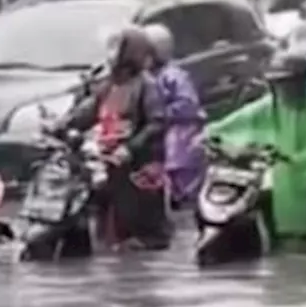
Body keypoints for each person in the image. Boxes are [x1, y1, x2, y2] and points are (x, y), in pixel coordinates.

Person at [206, 55, 306, 244]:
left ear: (302, 82)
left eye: (285, 83)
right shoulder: (272, 104)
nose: (282, 89)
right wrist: (211, 133)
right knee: (299, 244)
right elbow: (241, 121)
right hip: (294, 188)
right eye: (276, 83)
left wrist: (291, 158)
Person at [51, 26, 170, 251]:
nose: (111, 55)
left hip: (136, 162)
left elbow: (157, 123)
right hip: (106, 158)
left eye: (117, 49)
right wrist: (62, 125)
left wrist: (131, 148)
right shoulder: (108, 85)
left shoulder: (146, 85)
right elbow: (87, 112)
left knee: (139, 216)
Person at [142, 24, 207, 211]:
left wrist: (161, 114)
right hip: (166, 135)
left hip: (182, 135)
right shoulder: (148, 77)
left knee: (182, 177)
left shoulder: (173, 76)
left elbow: (188, 105)